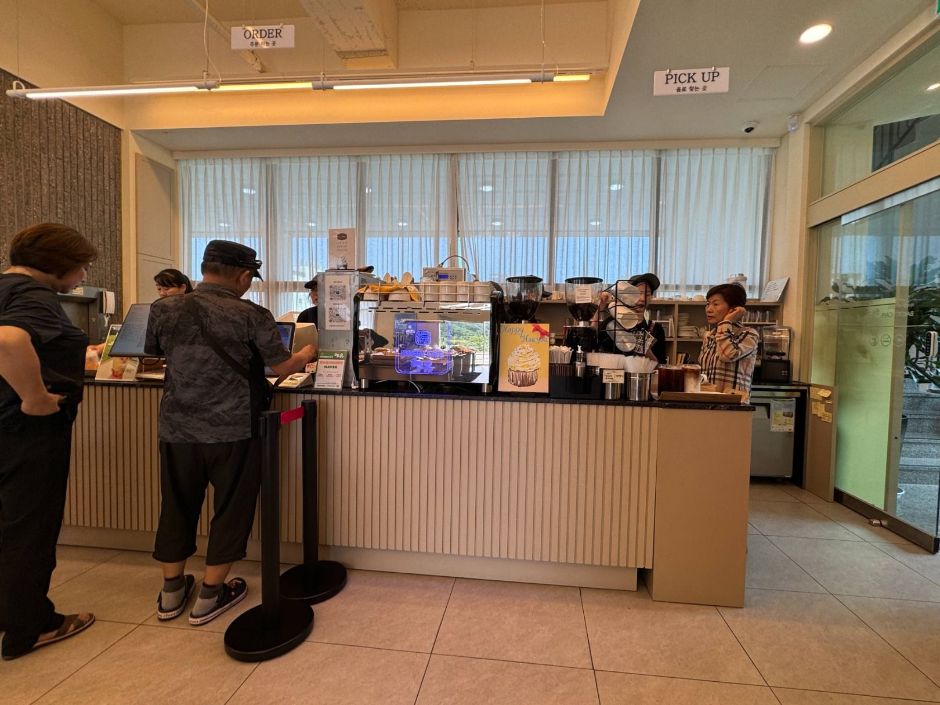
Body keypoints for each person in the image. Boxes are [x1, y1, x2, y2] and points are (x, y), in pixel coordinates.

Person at [145, 240, 317, 625]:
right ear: (242, 275)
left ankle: (171, 592)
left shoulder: (163, 308)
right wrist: (306, 354)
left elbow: (155, 354)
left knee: (176, 505)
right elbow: (280, 367)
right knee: (231, 508)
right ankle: (211, 593)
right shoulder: (251, 313)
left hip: (177, 427)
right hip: (234, 426)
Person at [0, 223, 98, 660]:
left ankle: (8, 611)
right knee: (30, 529)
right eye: (81, 266)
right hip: (27, 432)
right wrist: (35, 397)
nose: (83, 275)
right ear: (60, 264)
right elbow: (8, 339)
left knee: (6, 526)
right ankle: (32, 627)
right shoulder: (34, 295)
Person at [698, 282, 760, 401]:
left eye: (716, 304)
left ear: (734, 309)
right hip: (707, 402)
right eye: (708, 304)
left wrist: (726, 322)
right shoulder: (709, 336)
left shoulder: (749, 334)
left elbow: (727, 355)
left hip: (733, 405)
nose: (709, 309)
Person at [597, 272, 667, 363]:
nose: (643, 298)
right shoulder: (610, 324)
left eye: (647, 294)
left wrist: (646, 351)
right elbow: (591, 346)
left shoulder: (656, 329)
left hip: (642, 372)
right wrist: (599, 308)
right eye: (637, 293)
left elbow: (661, 366)